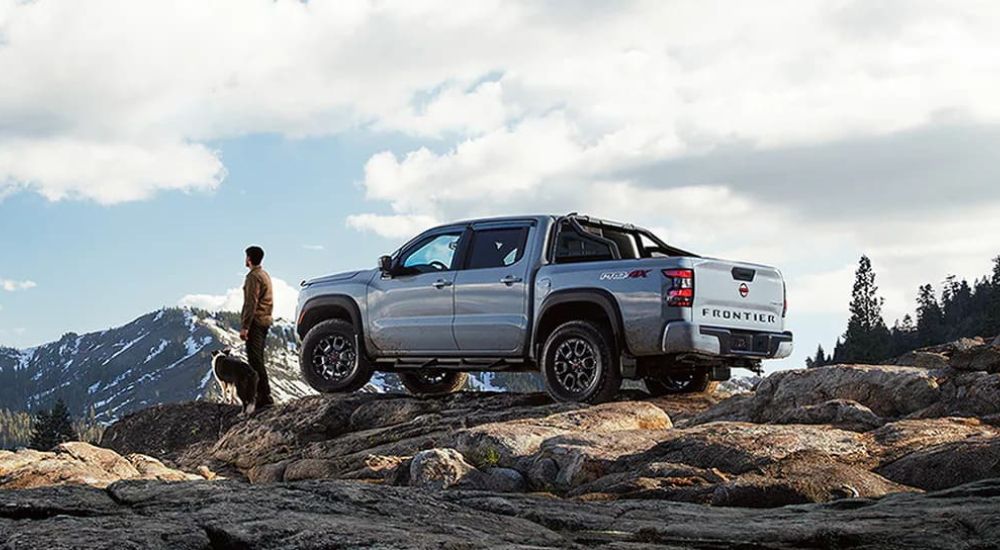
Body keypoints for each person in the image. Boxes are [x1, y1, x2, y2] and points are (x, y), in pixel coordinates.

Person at [240, 245, 274, 409]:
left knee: (255, 361)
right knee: (258, 358)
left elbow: (251, 302)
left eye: (246, 256)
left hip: (256, 321)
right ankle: (263, 394)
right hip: (265, 320)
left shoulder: (253, 277)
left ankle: (264, 396)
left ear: (249, 258)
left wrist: (245, 326)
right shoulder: (264, 274)